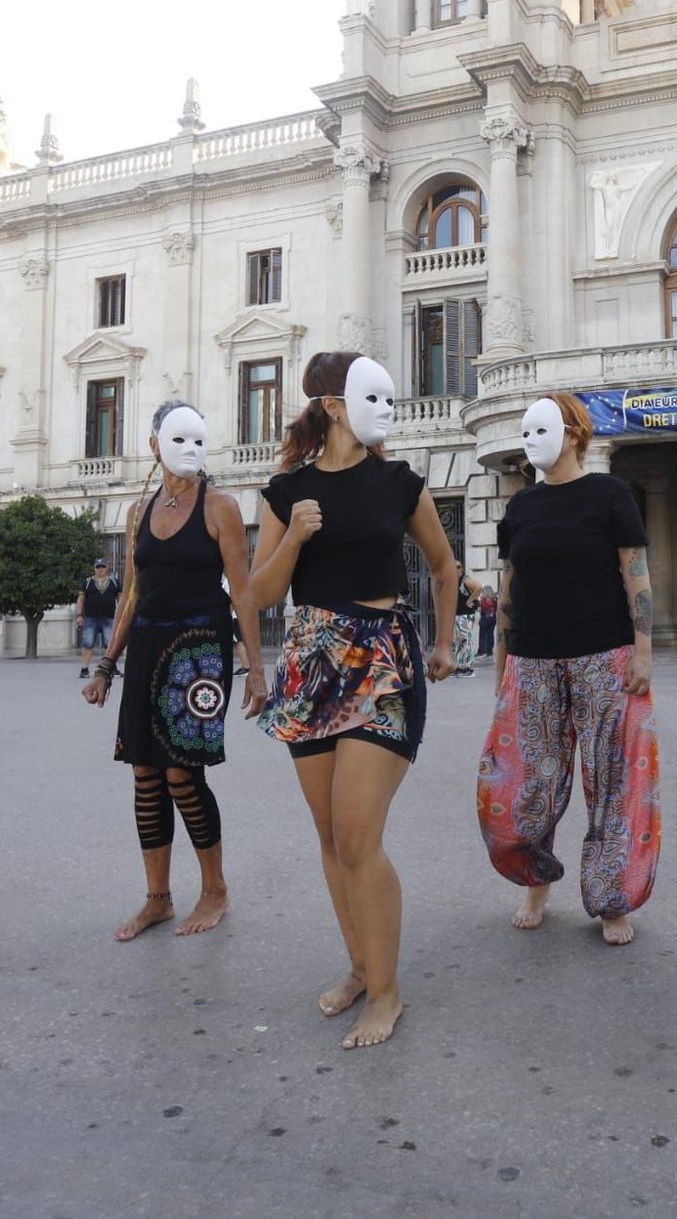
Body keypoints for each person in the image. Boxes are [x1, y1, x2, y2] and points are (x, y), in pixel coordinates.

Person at [249, 351, 458, 1051]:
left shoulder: (398, 481)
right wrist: (298, 535)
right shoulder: (285, 492)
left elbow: (443, 562)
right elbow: (260, 593)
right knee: (331, 836)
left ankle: (388, 991)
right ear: (334, 405)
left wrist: (446, 638)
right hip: (311, 662)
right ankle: (362, 966)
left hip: (382, 660)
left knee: (359, 834)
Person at [479, 393, 660, 946]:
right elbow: (511, 589)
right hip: (532, 660)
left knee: (613, 779)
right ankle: (536, 878)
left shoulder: (610, 494)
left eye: (543, 428)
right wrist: (501, 660)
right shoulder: (521, 507)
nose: (531, 440)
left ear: (575, 433)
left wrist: (644, 648)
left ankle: (613, 898)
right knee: (524, 778)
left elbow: (637, 573)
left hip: (604, 654)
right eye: (526, 431)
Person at [82, 402, 257, 943]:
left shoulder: (219, 506)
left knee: (183, 773)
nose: (191, 450)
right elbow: (132, 592)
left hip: (201, 650)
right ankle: (157, 898)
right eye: (179, 439)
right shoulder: (138, 511)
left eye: (199, 439)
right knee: (145, 774)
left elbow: (243, 589)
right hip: (150, 647)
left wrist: (256, 665)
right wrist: (107, 665)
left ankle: (215, 889)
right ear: (154, 443)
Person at [77, 557, 122, 680]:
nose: (100, 569)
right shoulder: (87, 582)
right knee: (88, 644)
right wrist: (79, 615)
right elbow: (81, 599)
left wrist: (122, 616)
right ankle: (84, 669)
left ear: (107, 568)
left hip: (109, 618)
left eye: (102, 566)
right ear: (94, 568)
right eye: (98, 567)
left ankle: (111, 668)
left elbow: (121, 599)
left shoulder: (114, 582)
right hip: (91, 618)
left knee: (110, 645)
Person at [452, 566, 485, 678]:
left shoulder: (465, 579)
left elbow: (479, 587)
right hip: (459, 615)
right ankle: (460, 666)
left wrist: (470, 600)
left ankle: (467, 668)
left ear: (460, 569)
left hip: (465, 615)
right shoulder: (454, 580)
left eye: (456, 567)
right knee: (459, 642)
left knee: (465, 641)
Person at [475, 585, 498, 662]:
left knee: (482, 635)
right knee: (490, 635)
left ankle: (482, 651)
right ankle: (489, 652)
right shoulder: (495, 599)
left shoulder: (483, 600)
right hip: (493, 619)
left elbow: (480, 610)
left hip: (485, 618)